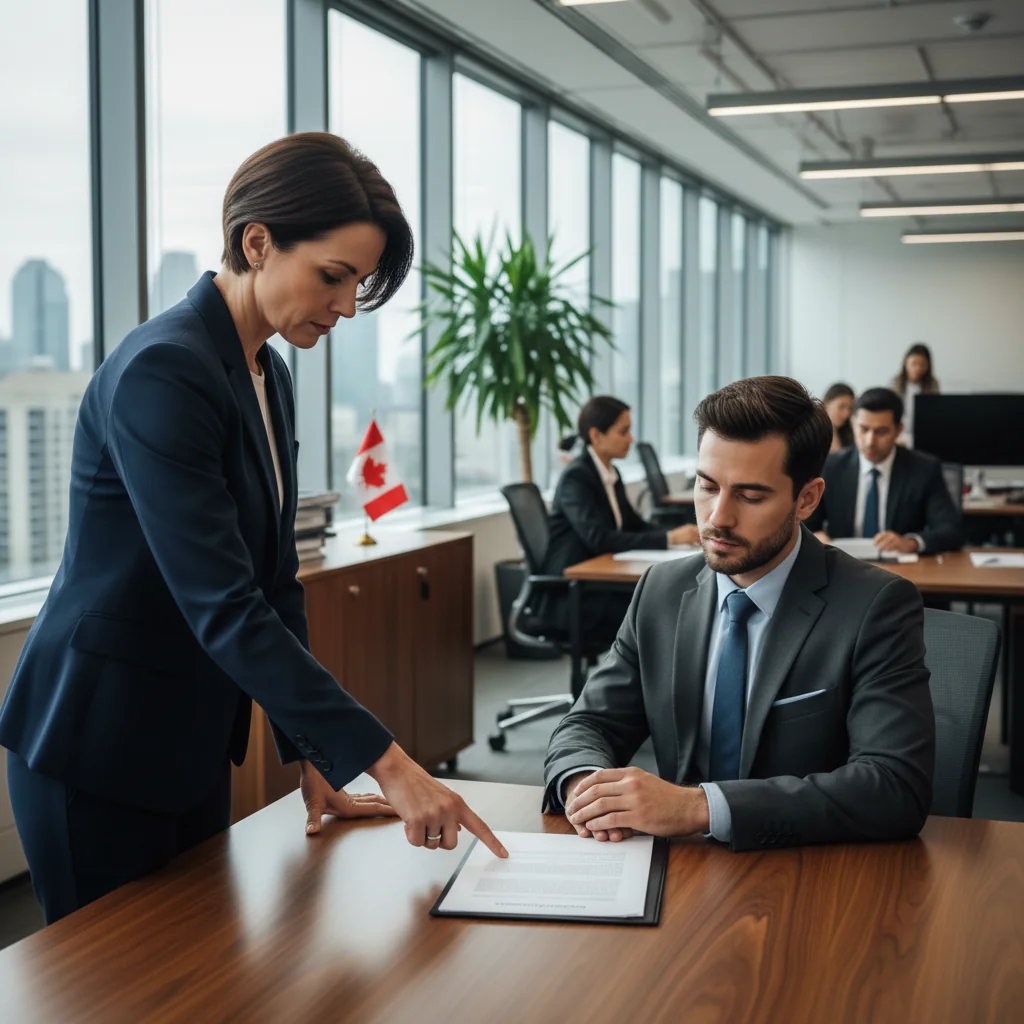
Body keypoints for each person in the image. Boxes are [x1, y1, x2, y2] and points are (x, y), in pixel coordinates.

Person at [0, 133, 506, 925]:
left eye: (359, 285)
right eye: (332, 276)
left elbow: (274, 580)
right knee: (113, 993)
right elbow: (225, 603)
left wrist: (315, 753)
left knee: (197, 974)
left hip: (188, 738)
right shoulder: (163, 370)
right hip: (98, 743)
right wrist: (391, 765)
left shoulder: (266, 371)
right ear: (257, 242)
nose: (345, 306)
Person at [544, 376, 934, 852]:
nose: (717, 518)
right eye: (706, 486)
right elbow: (589, 725)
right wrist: (587, 787)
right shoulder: (660, 591)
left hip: (810, 876)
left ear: (807, 499)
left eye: (750, 496)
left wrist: (696, 808)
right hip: (678, 877)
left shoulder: (876, 605)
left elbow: (893, 786)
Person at [539, 396, 699, 645]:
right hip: (575, 593)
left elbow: (635, 525)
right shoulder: (577, 478)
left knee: (663, 599)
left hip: (600, 584)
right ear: (596, 436)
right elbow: (599, 539)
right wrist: (669, 538)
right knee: (659, 608)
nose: (631, 439)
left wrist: (678, 536)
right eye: (623, 431)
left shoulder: (611, 474)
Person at [807, 387, 963, 555]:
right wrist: (815, 536)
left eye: (881, 432)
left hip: (900, 570)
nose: (870, 441)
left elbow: (951, 530)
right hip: (842, 566)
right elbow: (804, 523)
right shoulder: (830, 467)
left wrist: (911, 543)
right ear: (853, 424)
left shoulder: (923, 468)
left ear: (898, 430)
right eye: (863, 429)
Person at [892, 343, 939, 446]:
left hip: (923, 434)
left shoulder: (933, 384)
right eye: (914, 363)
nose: (918, 368)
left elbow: (935, 415)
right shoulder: (895, 383)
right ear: (906, 362)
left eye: (922, 364)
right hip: (900, 434)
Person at [823, 382, 855, 452]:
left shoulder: (848, 431)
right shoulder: (813, 432)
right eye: (841, 407)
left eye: (850, 408)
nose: (847, 414)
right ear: (827, 404)